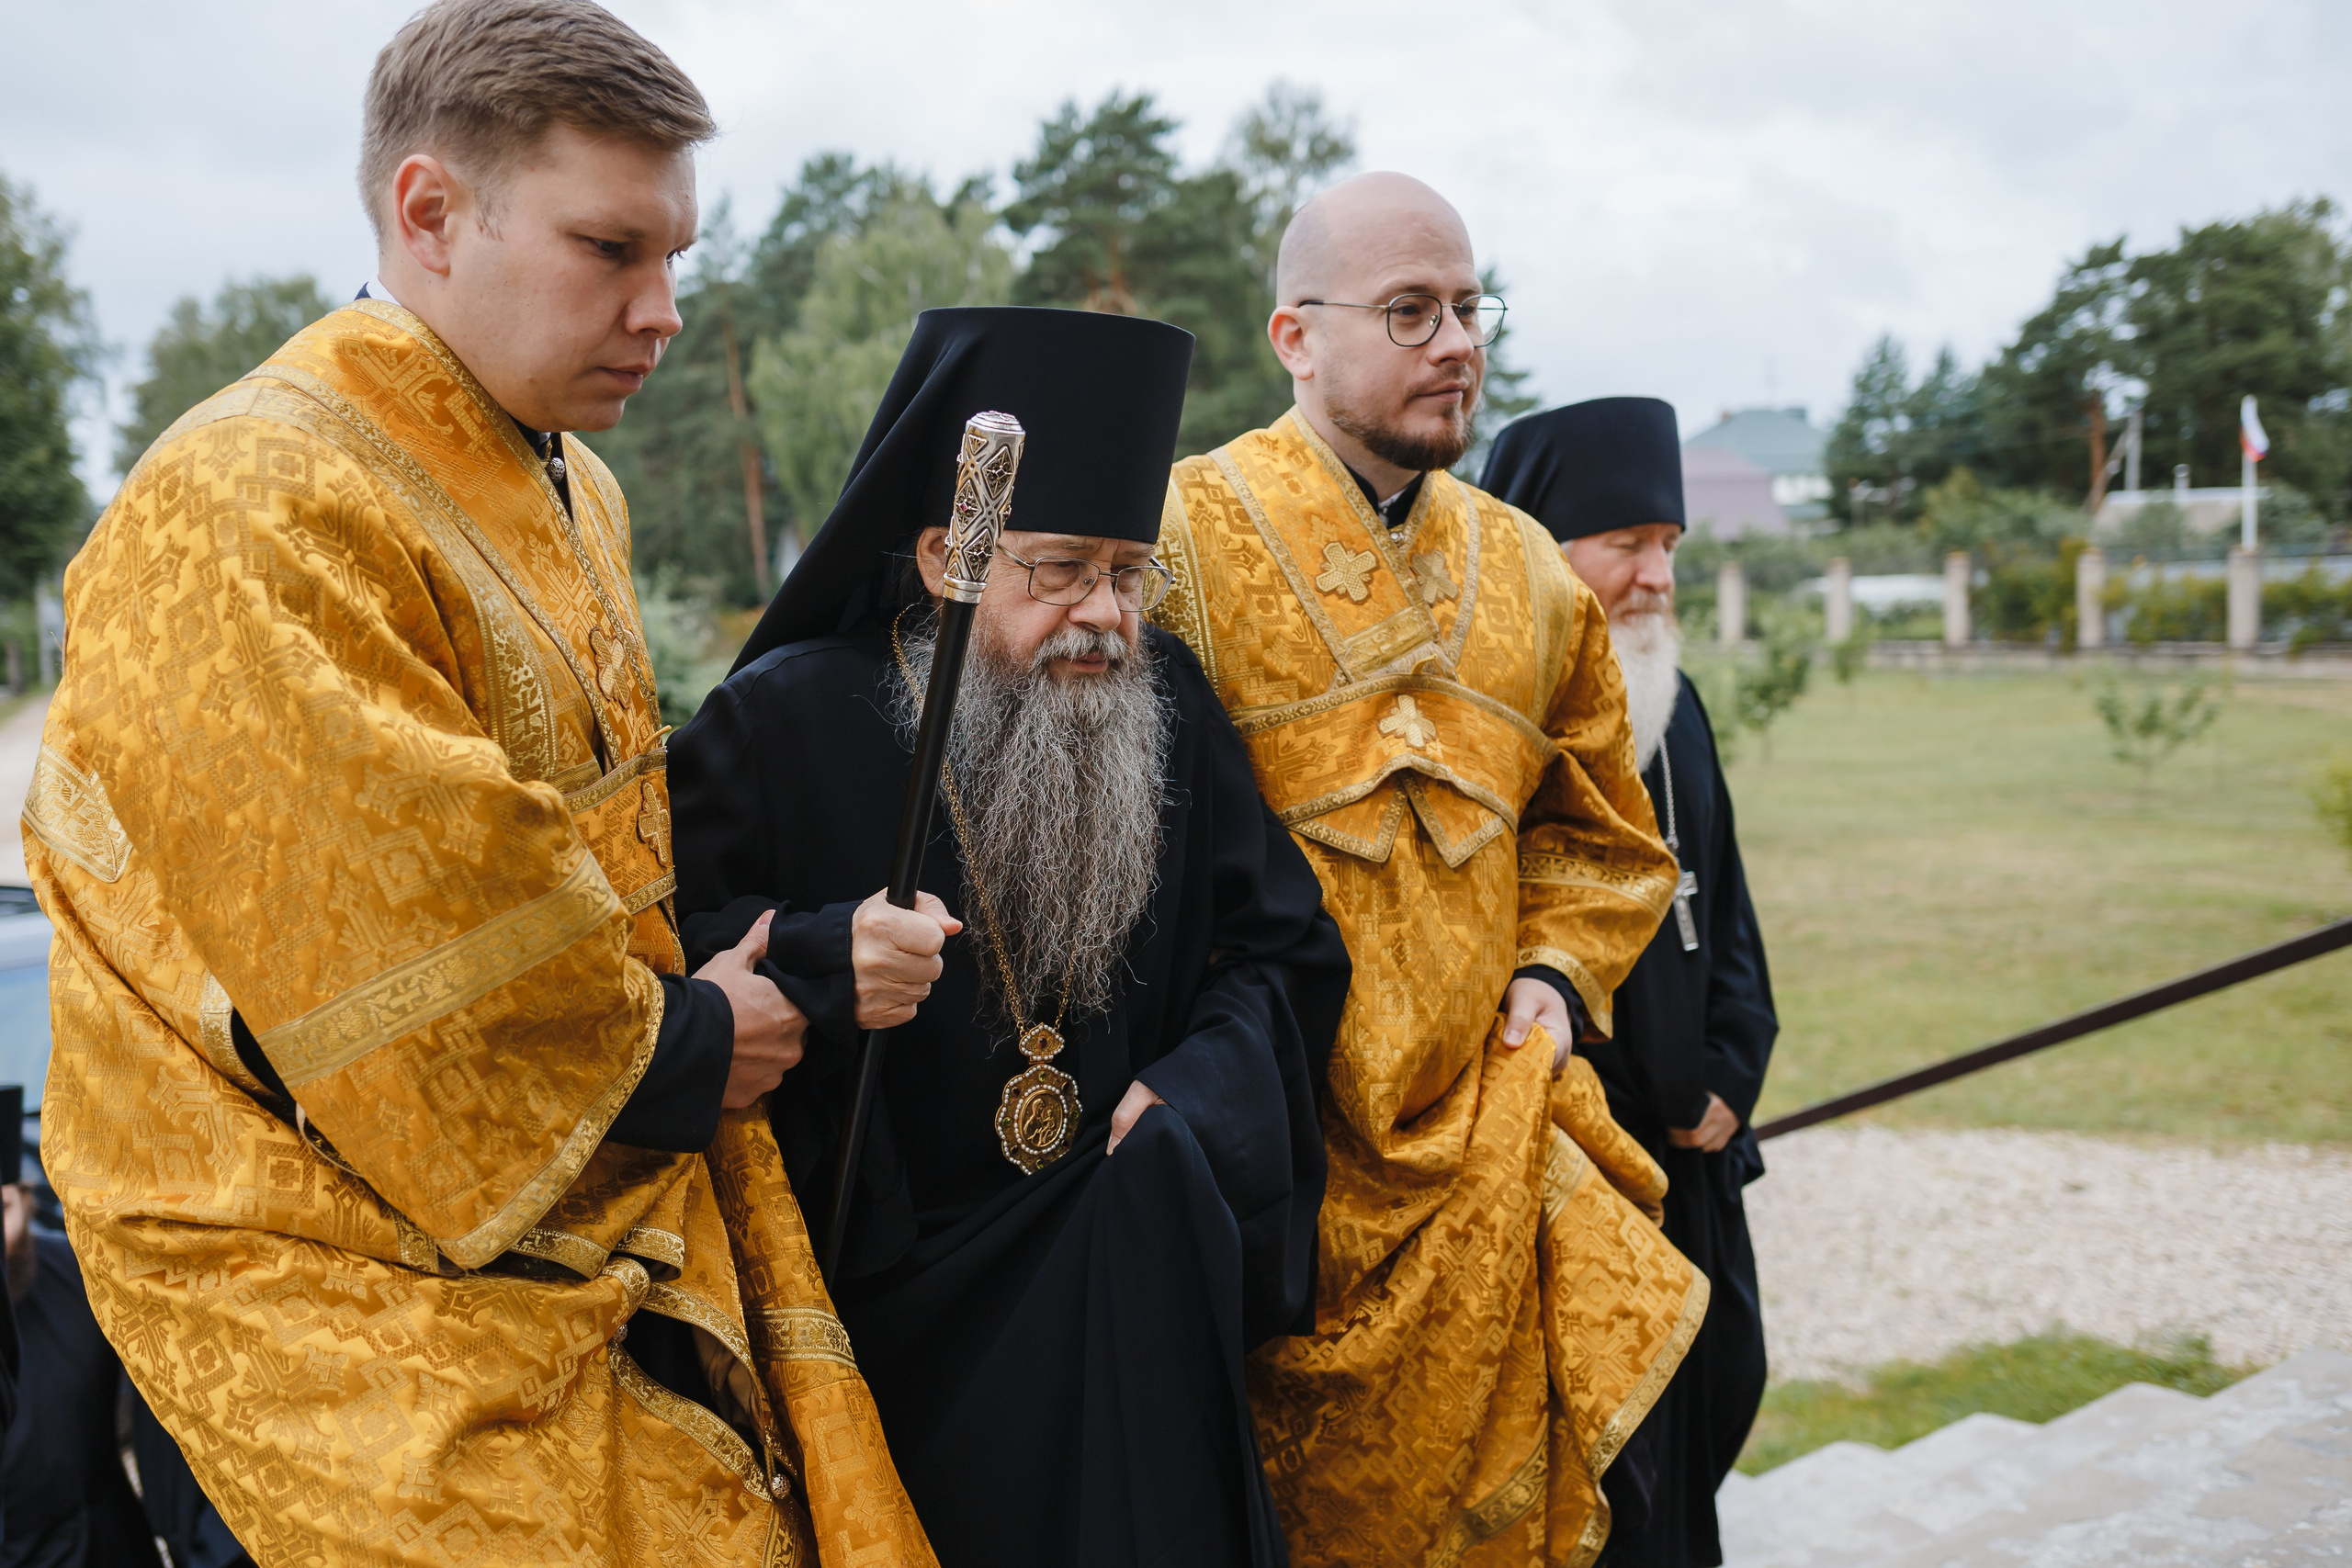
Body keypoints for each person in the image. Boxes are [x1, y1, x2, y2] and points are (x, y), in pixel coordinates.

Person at [27, 3, 926, 1561]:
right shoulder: (250, 498)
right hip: (325, 1263)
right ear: (430, 211)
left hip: (595, 1183)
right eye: (610, 249)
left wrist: (759, 967)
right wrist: (699, 1035)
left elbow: (591, 857)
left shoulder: (576, 481)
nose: (661, 312)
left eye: (676, 258)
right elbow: (390, 915)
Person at [670, 305, 1351, 1568]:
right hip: (898, 1296)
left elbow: (1282, 950)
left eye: (1129, 574)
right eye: (1061, 570)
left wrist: (1197, 1093)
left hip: (1119, 1244)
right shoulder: (784, 718)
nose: (1104, 614)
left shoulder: (1168, 705)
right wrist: (824, 954)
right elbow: (678, 945)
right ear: (949, 556)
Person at [1152, 170, 1707, 1565]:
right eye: (1410, 311)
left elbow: (1602, 832)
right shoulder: (1175, 539)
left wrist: (1554, 974)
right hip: (1262, 1167)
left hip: (1491, 1142)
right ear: (1295, 337)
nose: (1457, 343)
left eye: (1470, 307)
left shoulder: (1532, 573)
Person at [1483, 397, 1778, 1567]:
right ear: (1547, 548)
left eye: (1669, 546)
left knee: (1712, 1395)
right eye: (1628, 546)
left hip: (1695, 1145)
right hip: (1582, 1161)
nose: (1656, 577)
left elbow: (1726, 905)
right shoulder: (1502, 717)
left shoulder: (1677, 700)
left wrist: (1734, 1064)